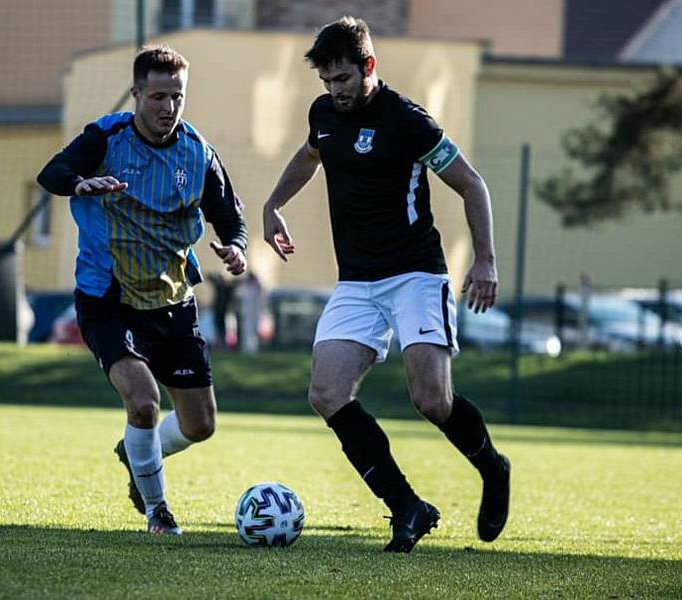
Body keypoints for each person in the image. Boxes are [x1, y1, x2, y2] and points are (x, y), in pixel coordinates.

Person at [262, 17, 510, 553]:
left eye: (344, 79)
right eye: (327, 81)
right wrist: (274, 204)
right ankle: (407, 508)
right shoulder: (323, 114)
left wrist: (485, 261)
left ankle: (492, 467)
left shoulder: (408, 121)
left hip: (416, 275)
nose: (335, 91)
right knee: (326, 393)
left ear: (369, 66)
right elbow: (310, 155)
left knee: (430, 399)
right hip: (357, 282)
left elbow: (472, 184)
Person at [37, 44, 248, 535]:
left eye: (177, 96)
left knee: (200, 425)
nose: (168, 108)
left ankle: (133, 451)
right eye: (157, 96)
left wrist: (236, 246)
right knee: (145, 401)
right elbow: (52, 173)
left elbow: (230, 217)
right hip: (107, 297)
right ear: (136, 94)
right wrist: (81, 185)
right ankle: (159, 512)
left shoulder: (198, 154)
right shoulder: (105, 137)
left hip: (173, 300)